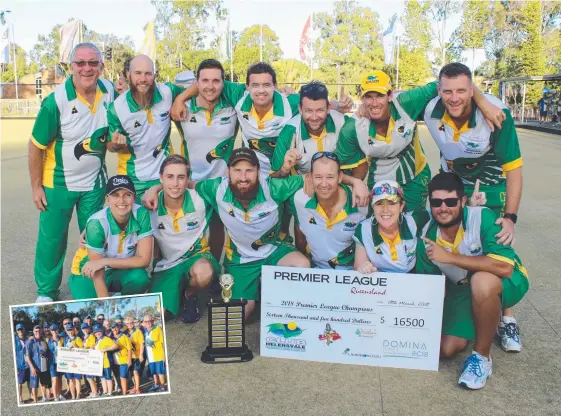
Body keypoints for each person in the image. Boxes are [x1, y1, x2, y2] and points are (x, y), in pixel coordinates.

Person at [423, 63, 524, 348]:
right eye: (448, 91)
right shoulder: (431, 109)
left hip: (491, 184)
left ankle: (508, 320)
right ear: (439, 90)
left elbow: (514, 170)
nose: (454, 98)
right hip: (456, 183)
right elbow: (390, 106)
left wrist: (511, 216)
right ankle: (458, 306)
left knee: (496, 244)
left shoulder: (496, 114)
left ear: (472, 89)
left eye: (462, 91)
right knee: (454, 241)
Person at [416, 172, 529, 390]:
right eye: (436, 202)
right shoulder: (426, 235)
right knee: (446, 349)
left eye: (450, 201)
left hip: (508, 280)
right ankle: (485, 317)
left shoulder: (483, 216)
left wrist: (450, 258)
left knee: (483, 282)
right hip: (462, 288)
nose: (443, 208)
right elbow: (430, 288)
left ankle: (482, 357)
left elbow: (504, 267)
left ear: (462, 201)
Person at [335, 69, 504, 211]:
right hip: (380, 180)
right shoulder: (352, 128)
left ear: (389, 95)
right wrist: (355, 182)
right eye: (368, 96)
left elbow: (449, 81)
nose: (374, 103)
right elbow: (336, 172)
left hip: (414, 178)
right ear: (362, 98)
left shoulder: (407, 103)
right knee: (382, 229)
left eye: (379, 95)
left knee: (415, 230)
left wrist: (483, 102)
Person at [28, 42, 117, 303]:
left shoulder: (109, 90)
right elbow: (35, 146)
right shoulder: (55, 102)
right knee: (52, 240)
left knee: (95, 236)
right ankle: (46, 292)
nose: (87, 68)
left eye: (93, 63)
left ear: (101, 66)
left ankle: (92, 284)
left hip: (94, 184)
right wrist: (36, 187)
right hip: (56, 184)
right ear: (71, 67)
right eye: (81, 63)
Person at [171, 61, 353, 177]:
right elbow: (207, 81)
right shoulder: (238, 95)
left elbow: (316, 103)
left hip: (283, 170)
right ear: (247, 86)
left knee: (283, 219)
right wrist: (179, 99)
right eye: (255, 85)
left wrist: (340, 105)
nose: (261, 90)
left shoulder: (290, 102)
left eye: (267, 85)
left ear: (275, 86)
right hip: (251, 173)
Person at [174, 59, 238, 262]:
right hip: (190, 182)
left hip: (220, 182)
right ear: (197, 82)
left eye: (216, 81)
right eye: (205, 80)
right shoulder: (182, 106)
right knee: (188, 230)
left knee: (217, 228)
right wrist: (180, 99)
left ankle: (213, 269)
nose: (210, 86)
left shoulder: (234, 106)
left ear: (223, 83)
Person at [147, 155, 218, 322]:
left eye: (181, 177)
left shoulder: (201, 199)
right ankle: (175, 289)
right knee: (156, 318)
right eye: (169, 177)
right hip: (167, 265)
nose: (175, 183)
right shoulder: (149, 206)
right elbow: (120, 211)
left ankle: (190, 295)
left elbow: (228, 186)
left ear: (188, 179)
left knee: (204, 273)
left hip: (196, 257)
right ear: (161, 178)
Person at [107, 54, 186, 200]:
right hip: (132, 179)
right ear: (129, 75)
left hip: (165, 176)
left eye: (148, 73)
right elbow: (110, 147)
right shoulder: (116, 108)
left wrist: (180, 98)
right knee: (135, 222)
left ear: (154, 75)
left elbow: (195, 88)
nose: (143, 79)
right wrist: (116, 144)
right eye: (138, 73)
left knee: (165, 222)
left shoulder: (167, 92)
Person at [68, 175, 153, 299]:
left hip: (118, 268)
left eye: (127, 195)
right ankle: (102, 293)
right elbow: (97, 272)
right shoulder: (96, 224)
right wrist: (106, 306)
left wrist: (104, 262)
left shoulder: (141, 214)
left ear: (134, 198)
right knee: (91, 308)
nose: (122, 200)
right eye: (115, 195)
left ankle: (121, 298)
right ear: (107, 198)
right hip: (89, 271)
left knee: (140, 278)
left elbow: (144, 260)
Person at [288, 152, 367, 269]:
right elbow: (300, 227)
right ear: (310, 177)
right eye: (318, 177)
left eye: (330, 177)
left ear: (340, 177)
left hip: (354, 274)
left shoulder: (361, 204)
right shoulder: (299, 199)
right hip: (317, 272)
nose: (324, 184)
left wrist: (356, 181)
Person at [271, 82, 348, 176]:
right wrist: (284, 169)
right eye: (308, 111)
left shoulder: (343, 123)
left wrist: (354, 182)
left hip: (336, 184)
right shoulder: (289, 131)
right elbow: (273, 180)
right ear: (300, 109)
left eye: (320, 110)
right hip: (303, 185)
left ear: (328, 108)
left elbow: (360, 164)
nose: (314, 117)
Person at [353, 181, 429, 274]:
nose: (385, 210)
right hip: (381, 281)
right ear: (373, 206)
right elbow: (359, 264)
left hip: (412, 277)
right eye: (379, 203)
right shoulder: (363, 229)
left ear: (401, 206)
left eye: (391, 203)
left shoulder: (414, 221)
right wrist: (363, 267)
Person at [25, 325, 52, 403]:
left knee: (43, 383)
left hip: (43, 366)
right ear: (33, 332)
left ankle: (44, 397)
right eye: (36, 331)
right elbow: (27, 357)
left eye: (39, 331)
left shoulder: (43, 341)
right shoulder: (29, 342)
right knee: (34, 385)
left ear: (41, 331)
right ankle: (36, 401)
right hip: (34, 367)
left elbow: (47, 352)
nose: (38, 332)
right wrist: (32, 367)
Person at [92, 324, 119, 397]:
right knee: (102, 378)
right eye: (96, 332)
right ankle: (105, 392)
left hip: (106, 362)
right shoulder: (97, 340)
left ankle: (110, 392)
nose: (98, 333)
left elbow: (116, 346)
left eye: (99, 331)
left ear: (102, 331)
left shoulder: (106, 339)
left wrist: (106, 349)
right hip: (99, 363)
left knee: (108, 378)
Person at [143, 315, 166, 392]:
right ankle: (156, 385)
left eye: (149, 321)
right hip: (150, 356)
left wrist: (164, 354)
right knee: (154, 372)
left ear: (152, 321)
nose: (147, 323)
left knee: (160, 371)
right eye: (145, 321)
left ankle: (162, 387)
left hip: (158, 355)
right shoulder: (146, 332)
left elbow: (162, 342)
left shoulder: (157, 329)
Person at [63, 323, 83, 400]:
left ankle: (78, 395)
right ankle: (73, 396)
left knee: (77, 379)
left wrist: (75, 347)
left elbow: (83, 350)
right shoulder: (65, 339)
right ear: (66, 331)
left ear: (74, 330)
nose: (70, 331)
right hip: (68, 363)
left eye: (71, 329)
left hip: (77, 362)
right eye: (68, 330)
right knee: (71, 380)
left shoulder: (78, 339)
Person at [111, 322, 132, 396]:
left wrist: (129, 360)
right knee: (118, 377)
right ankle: (123, 389)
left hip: (124, 360)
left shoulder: (124, 336)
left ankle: (124, 392)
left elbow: (129, 349)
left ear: (119, 327)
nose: (115, 329)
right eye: (113, 328)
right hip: (115, 361)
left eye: (116, 327)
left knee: (123, 377)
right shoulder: (111, 337)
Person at [125, 316, 145, 394]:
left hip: (136, 356)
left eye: (131, 323)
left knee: (135, 371)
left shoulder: (138, 331)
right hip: (129, 356)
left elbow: (141, 343)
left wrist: (141, 354)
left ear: (133, 323)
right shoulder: (124, 332)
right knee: (131, 373)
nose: (130, 324)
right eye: (128, 323)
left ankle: (137, 389)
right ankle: (135, 386)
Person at [47, 324, 65, 401]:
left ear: (58, 330)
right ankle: (55, 397)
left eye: (55, 329)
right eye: (52, 330)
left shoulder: (62, 340)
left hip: (60, 363)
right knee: (54, 380)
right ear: (50, 331)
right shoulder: (48, 342)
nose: (54, 331)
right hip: (52, 363)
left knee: (60, 379)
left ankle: (59, 394)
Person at [81, 322, 98, 397]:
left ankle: (95, 392)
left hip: (90, 359)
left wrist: (85, 348)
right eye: (83, 328)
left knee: (90, 377)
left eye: (86, 328)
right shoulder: (84, 337)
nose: (85, 330)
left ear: (88, 328)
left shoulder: (91, 336)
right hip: (85, 359)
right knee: (88, 377)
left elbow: (93, 346)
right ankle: (93, 391)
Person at [15, 324, 31, 403]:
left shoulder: (27, 340)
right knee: (20, 383)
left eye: (21, 329)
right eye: (18, 330)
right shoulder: (14, 341)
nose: (20, 331)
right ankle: (20, 398)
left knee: (29, 381)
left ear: (24, 330)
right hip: (20, 366)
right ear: (16, 331)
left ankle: (31, 395)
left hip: (28, 365)